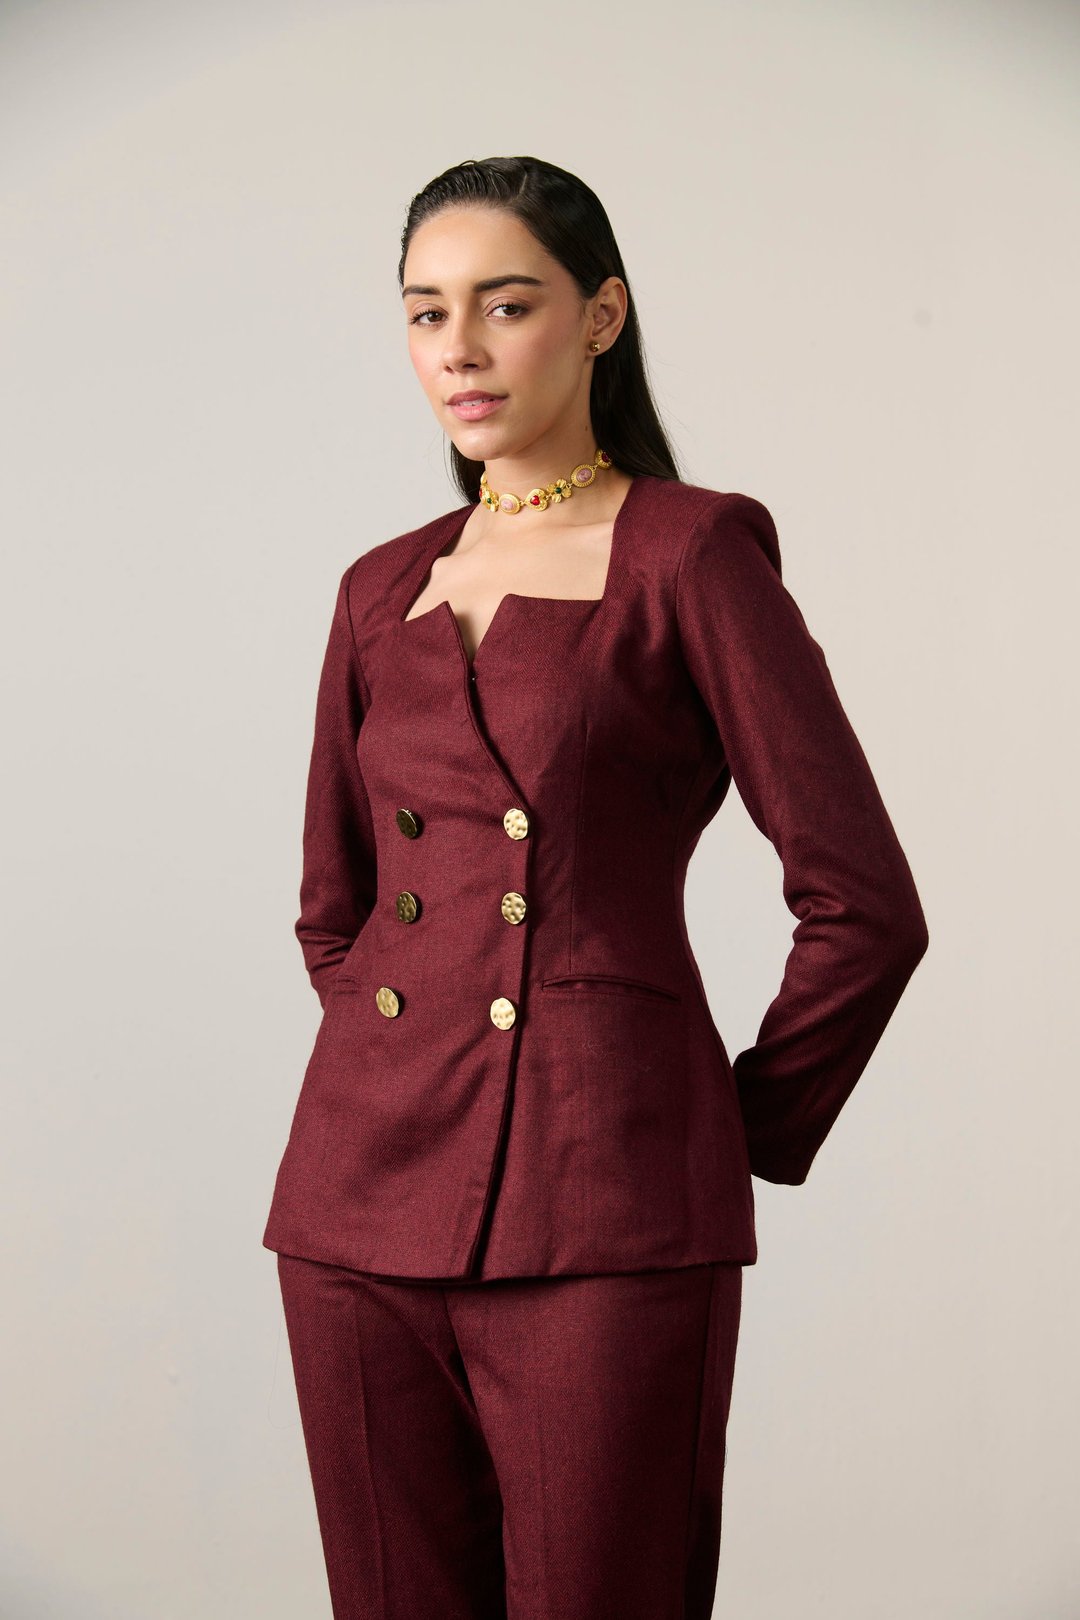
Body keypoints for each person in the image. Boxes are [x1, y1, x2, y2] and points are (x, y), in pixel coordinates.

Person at [262, 154, 929, 1619]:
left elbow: (865, 904)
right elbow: (335, 905)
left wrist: (722, 1129)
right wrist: (404, 1063)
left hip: (606, 1197)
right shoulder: (379, 586)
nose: (460, 348)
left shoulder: (690, 551)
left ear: (601, 316)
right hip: (354, 1204)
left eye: (507, 304)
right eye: (426, 312)